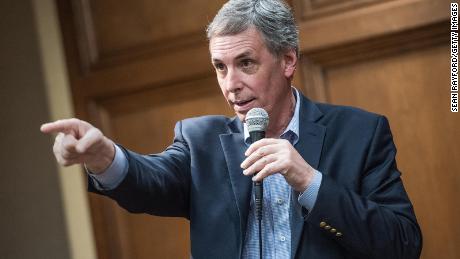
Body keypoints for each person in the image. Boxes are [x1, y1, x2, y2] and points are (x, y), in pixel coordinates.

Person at [41, 0, 422, 258]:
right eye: (220, 67)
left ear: (288, 60)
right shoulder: (199, 141)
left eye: (246, 63)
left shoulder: (361, 133)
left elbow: (403, 243)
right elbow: (150, 181)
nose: (230, 84)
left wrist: (308, 181)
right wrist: (105, 156)